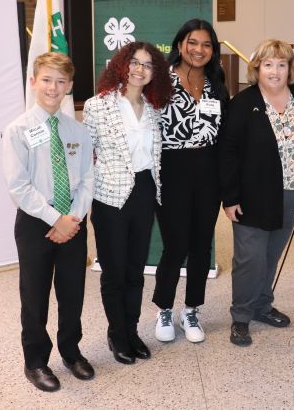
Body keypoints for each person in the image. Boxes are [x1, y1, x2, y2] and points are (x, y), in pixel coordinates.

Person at [2, 52, 94, 392]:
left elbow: (87, 178)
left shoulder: (78, 130)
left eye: (60, 81)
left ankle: (71, 351)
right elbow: (19, 186)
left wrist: (72, 219)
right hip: (35, 222)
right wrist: (55, 218)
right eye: (46, 80)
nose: (53, 88)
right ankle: (36, 360)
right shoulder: (18, 130)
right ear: (33, 81)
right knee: (35, 295)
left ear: (69, 86)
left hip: (73, 222)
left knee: (72, 292)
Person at [220, 39, 294, 346]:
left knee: (271, 253)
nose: (275, 71)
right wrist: (230, 197)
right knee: (249, 258)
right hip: (252, 195)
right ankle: (241, 317)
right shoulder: (243, 103)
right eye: (268, 64)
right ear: (256, 69)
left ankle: (262, 304)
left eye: (281, 64)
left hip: (292, 191)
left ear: (290, 68)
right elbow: (228, 153)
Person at [83, 42, 173, 364]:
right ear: (122, 65)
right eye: (135, 62)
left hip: (145, 191)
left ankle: (132, 331)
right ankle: (117, 334)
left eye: (147, 65)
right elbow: (85, 157)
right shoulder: (97, 105)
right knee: (114, 272)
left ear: (154, 73)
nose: (139, 69)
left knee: (136, 269)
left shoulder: (154, 109)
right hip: (110, 197)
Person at [153, 19, 229, 343]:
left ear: (213, 51)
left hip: (208, 170)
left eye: (207, 44)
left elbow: (225, 137)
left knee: (201, 243)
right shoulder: (160, 82)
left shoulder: (216, 85)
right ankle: (165, 309)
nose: (199, 50)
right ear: (180, 44)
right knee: (176, 244)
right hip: (172, 169)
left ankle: (192, 309)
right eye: (193, 42)